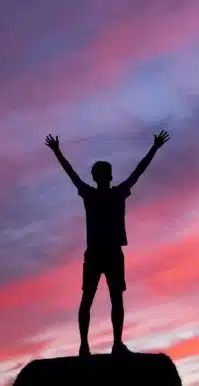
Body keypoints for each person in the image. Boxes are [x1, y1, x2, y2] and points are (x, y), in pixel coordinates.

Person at [45, 130, 170, 356]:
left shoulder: (94, 194)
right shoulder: (111, 193)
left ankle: (96, 345)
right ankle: (108, 344)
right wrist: (155, 148)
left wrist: (57, 151)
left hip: (102, 252)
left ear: (97, 177)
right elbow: (138, 171)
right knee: (107, 298)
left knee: (95, 298)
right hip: (105, 253)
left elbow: (71, 173)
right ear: (109, 176)